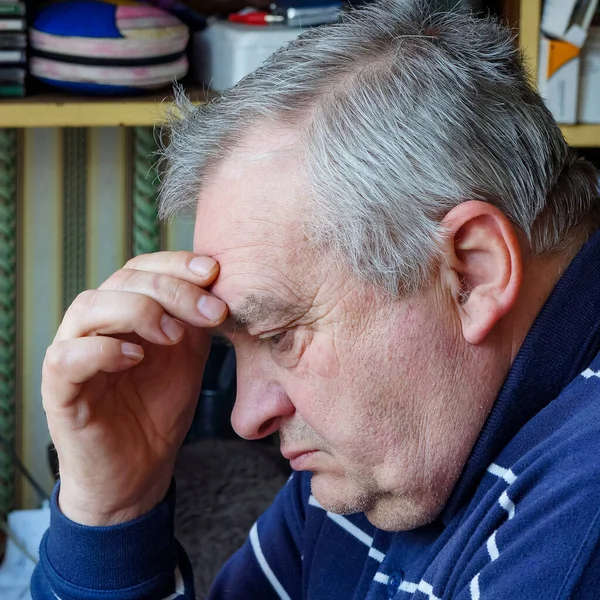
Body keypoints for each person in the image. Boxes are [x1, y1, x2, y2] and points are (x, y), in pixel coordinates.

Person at [31, 1, 600, 598]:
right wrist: (113, 516)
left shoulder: (580, 527)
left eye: (279, 336)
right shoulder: (392, 452)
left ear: (471, 273)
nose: (246, 419)